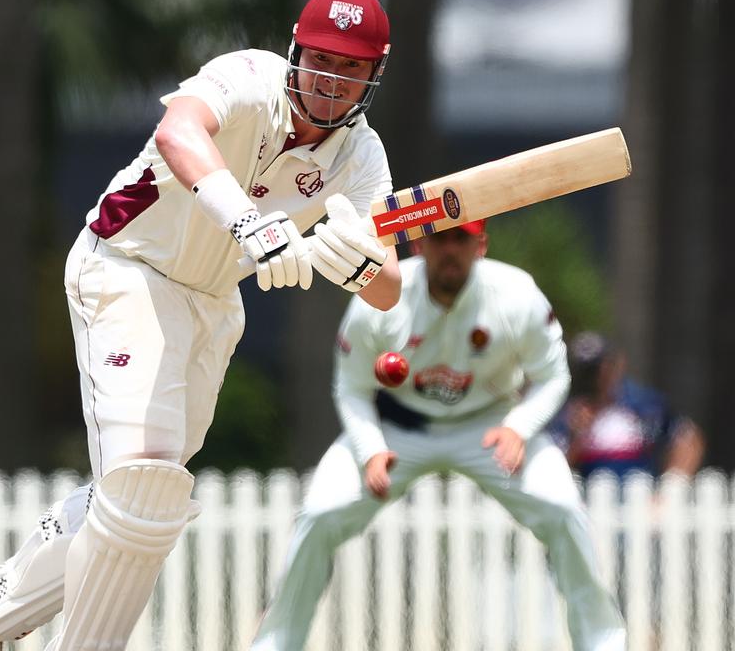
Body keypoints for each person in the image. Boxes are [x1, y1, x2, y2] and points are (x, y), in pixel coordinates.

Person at [0, 0, 404, 651]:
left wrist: (355, 265)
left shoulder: (361, 159)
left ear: (373, 76)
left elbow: (388, 287)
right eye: (322, 61)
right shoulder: (247, 76)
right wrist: (246, 220)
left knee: (140, 499)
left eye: (351, 69)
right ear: (296, 51)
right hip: (127, 267)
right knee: (142, 480)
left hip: (211, 304)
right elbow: (179, 131)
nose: (332, 81)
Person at [250, 223, 627, 651]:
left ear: (480, 245)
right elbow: (352, 387)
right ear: (419, 244)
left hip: (490, 426)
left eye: (461, 239)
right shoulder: (380, 294)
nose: (450, 250)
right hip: (397, 428)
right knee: (320, 513)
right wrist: (370, 448)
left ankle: (604, 644)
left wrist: (517, 428)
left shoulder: (516, 294)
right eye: (440, 239)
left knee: (561, 507)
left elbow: (552, 375)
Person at [550, 331, 705, 480]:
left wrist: (671, 485)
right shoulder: (565, 413)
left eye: (600, 368)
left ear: (617, 364)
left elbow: (688, 439)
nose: (595, 378)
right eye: (587, 371)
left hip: (638, 498)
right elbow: (552, 470)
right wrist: (577, 437)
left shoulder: (644, 405)